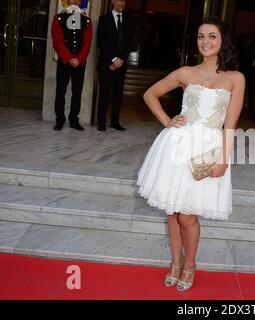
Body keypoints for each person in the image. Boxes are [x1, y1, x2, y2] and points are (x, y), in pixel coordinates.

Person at [137, 16, 245, 292]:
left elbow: (230, 124)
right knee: (173, 212)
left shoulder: (235, 78)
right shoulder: (186, 72)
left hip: (208, 148)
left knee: (188, 215)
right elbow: (150, 94)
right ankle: (175, 262)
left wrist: (223, 159)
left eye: (212, 36)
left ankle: (190, 264)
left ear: (223, 41)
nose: (205, 41)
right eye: (200, 36)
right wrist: (167, 121)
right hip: (177, 145)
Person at [51, 0, 92, 131]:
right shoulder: (58, 18)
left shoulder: (86, 20)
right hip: (64, 61)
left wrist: (79, 59)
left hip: (79, 63)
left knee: (77, 92)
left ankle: (74, 120)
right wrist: (69, 58)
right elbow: (57, 41)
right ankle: (60, 120)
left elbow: (87, 43)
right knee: (60, 91)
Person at [97, 0, 134, 131]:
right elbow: (101, 42)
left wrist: (120, 60)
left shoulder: (129, 21)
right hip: (106, 63)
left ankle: (115, 121)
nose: (122, 3)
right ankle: (101, 121)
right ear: (113, 2)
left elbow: (130, 44)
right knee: (104, 92)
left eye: (124, 1)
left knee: (118, 93)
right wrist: (113, 59)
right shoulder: (104, 19)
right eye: (119, 0)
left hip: (121, 64)